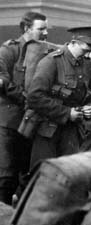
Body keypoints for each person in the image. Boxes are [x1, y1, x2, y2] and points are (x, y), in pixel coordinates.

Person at [27, 26, 91, 168]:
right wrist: (67, 113)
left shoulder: (87, 65)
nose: (88, 54)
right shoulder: (51, 61)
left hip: (72, 132)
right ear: (74, 42)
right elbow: (34, 97)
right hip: (47, 130)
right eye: (85, 50)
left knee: (69, 174)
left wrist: (90, 107)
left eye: (90, 51)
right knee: (42, 174)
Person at [0, 11, 48, 204]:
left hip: (30, 121)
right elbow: (2, 81)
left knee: (25, 173)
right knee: (5, 173)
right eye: (41, 29)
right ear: (27, 29)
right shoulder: (9, 50)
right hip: (8, 121)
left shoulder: (44, 52)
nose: (45, 33)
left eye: (46, 29)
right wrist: (27, 99)